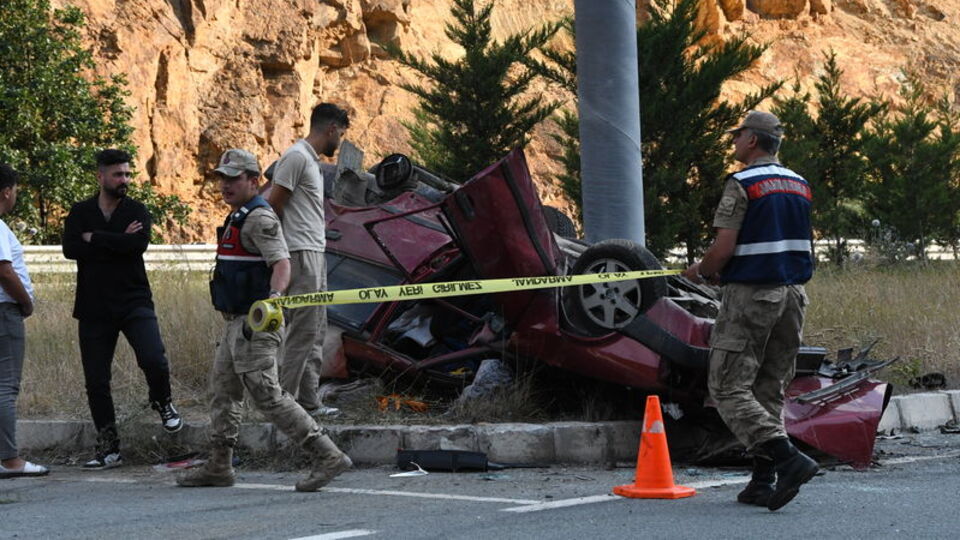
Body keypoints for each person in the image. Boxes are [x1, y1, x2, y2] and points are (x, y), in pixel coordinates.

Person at [177, 149, 351, 491]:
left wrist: (272, 300)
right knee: (223, 393)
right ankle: (219, 465)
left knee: (268, 395)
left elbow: (282, 263)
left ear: (254, 181)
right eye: (222, 178)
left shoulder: (259, 218)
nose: (225, 185)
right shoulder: (238, 216)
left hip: (253, 324)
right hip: (235, 323)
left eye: (234, 178)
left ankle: (327, 455)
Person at [682, 111, 818, 511]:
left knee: (726, 386)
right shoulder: (799, 184)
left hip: (752, 296)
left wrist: (701, 272)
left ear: (753, 140)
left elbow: (724, 247)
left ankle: (788, 459)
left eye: (738, 135)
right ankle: (762, 481)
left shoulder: (743, 183)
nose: (734, 141)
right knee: (768, 388)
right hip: (793, 296)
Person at [62, 149, 182, 470]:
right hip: (93, 306)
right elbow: (71, 249)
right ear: (100, 176)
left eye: (128, 174)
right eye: (118, 174)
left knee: (153, 358)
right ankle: (109, 448)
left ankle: (163, 402)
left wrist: (96, 239)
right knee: (96, 381)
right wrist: (116, 240)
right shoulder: (80, 211)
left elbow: (137, 245)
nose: (125, 180)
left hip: (134, 300)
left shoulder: (136, 210)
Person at [266, 103, 350, 417]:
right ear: (331, 129)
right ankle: (284, 407)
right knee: (302, 333)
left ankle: (309, 402)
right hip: (300, 253)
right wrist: (282, 249)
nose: (339, 142)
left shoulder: (309, 160)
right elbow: (273, 204)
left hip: (314, 253)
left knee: (316, 331)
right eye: (340, 135)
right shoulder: (296, 157)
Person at [0, 164, 49, 479]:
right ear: (6, 191)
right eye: (15, 190)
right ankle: (9, 460)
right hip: (4, 311)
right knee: (6, 386)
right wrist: (26, 301)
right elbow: (4, 271)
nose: (15, 194)